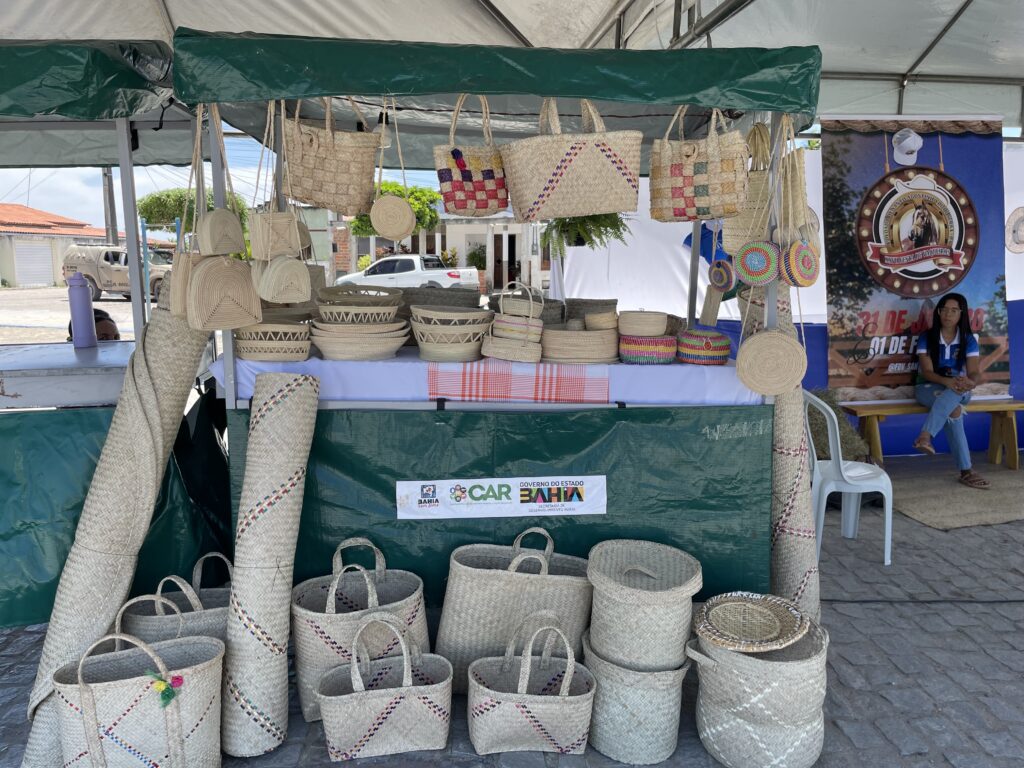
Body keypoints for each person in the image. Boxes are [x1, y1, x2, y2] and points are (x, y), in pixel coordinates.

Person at [912, 293, 988, 489]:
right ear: (938, 312)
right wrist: (946, 381)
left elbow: (974, 372)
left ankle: (926, 436)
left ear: (961, 314)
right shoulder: (927, 337)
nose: (948, 314)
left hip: (960, 388)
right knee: (953, 410)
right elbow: (927, 372)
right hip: (928, 387)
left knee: (955, 392)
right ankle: (966, 471)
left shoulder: (968, 339)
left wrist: (971, 382)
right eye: (944, 310)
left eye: (954, 310)